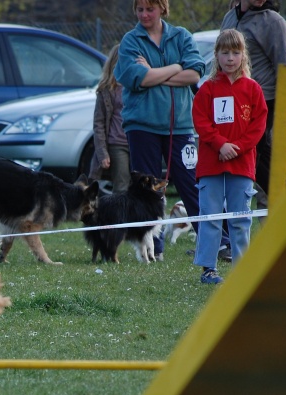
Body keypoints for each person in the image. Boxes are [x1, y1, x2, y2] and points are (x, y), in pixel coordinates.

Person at [114, 0, 205, 261]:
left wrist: (155, 73)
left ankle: (214, 243)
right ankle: (154, 249)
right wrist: (177, 67)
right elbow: (137, 78)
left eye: (150, 9)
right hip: (142, 126)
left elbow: (194, 74)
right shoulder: (130, 41)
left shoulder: (181, 36)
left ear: (162, 8)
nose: (144, 14)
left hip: (181, 126)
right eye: (140, 9)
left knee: (191, 184)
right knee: (148, 190)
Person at [192, 29, 267, 285]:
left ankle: (241, 271)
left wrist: (237, 147)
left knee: (240, 218)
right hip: (211, 164)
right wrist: (220, 144)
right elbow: (200, 122)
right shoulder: (207, 89)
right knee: (210, 217)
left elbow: (258, 125)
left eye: (236, 52)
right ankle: (208, 270)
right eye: (225, 53)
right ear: (217, 55)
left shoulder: (253, 89)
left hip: (242, 164)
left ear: (243, 55)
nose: (230, 58)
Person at [221, 0, 286, 219]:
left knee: (250, 155)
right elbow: (222, 57)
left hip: (265, 102)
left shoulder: (274, 21)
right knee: (261, 162)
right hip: (236, 102)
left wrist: (285, 113)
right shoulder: (229, 18)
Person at [90, 44, 131, 194]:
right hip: (117, 143)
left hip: (138, 141)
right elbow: (98, 124)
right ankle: (120, 217)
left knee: (140, 185)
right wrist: (102, 153)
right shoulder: (107, 90)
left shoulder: (138, 85)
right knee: (122, 186)